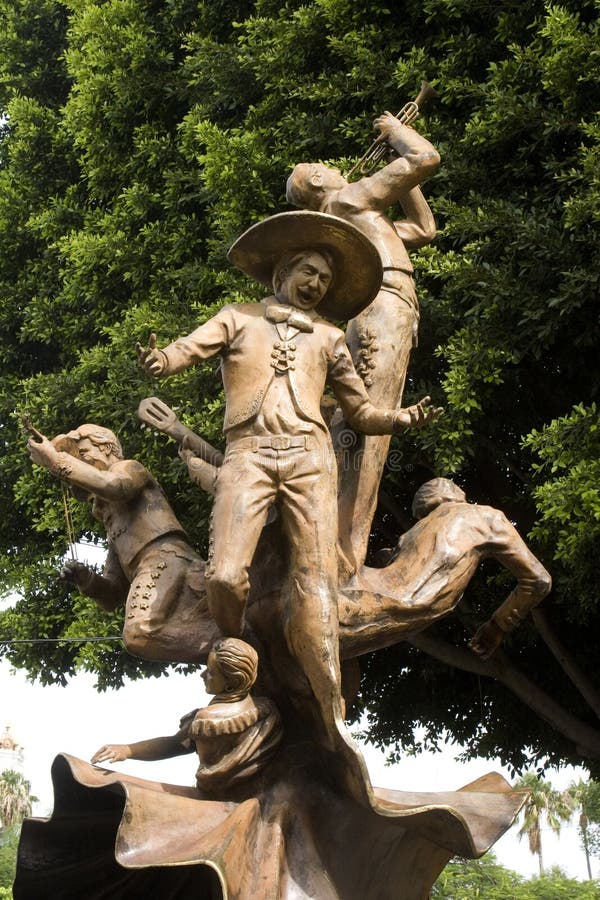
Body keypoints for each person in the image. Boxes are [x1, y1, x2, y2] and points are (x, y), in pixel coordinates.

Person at [137, 210, 441, 749]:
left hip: (310, 459)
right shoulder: (238, 317)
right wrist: (161, 359)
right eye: (309, 271)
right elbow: (186, 349)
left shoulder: (328, 337)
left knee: (315, 585)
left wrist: (401, 418)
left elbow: (362, 412)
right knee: (226, 577)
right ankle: (238, 652)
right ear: (282, 271)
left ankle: (330, 709)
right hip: (247, 455)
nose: (316, 283)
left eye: (325, 278)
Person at [287, 114, 440, 572]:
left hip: (387, 311)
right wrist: (395, 130)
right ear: (318, 180)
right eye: (322, 165)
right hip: (384, 309)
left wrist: (398, 172)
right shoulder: (347, 199)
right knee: (365, 431)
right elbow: (427, 157)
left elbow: (424, 229)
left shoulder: (358, 216)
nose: (333, 168)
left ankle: (338, 543)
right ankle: (341, 551)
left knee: (362, 431)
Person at [27, 423, 219, 662]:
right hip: (149, 567)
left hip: (165, 558)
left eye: (85, 453)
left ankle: (228, 651)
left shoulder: (129, 468)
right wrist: (86, 580)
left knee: (139, 634)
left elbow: (115, 486)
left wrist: (56, 461)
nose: (83, 462)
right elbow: (113, 594)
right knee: (139, 638)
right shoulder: (115, 526)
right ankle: (228, 654)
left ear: (107, 448)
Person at [338, 478, 552, 660]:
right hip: (394, 605)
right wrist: (497, 626)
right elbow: (538, 580)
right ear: (456, 493)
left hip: (364, 596)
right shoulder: (485, 516)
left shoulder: (408, 537)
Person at [91, 638, 282, 793]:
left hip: (217, 800)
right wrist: (126, 750)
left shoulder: (209, 720)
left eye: (211, 672)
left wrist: (128, 750)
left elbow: (176, 744)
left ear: (231, 684)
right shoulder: (266, 710)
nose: (203, 674)